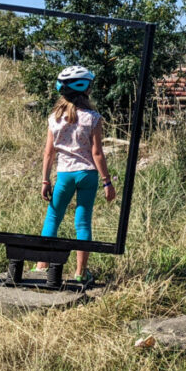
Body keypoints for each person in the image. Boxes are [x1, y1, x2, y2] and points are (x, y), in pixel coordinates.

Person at [36, 65, 116, 281]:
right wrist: (107, 182)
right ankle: (80, 273)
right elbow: (97, 153)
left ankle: (42, 265)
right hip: (87, 175)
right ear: (86, 90)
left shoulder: (54, 118)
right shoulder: (93, 118)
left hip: (64, 174)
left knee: (53, 218)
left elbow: (48, 153)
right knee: (82, 223)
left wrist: (45, 180)